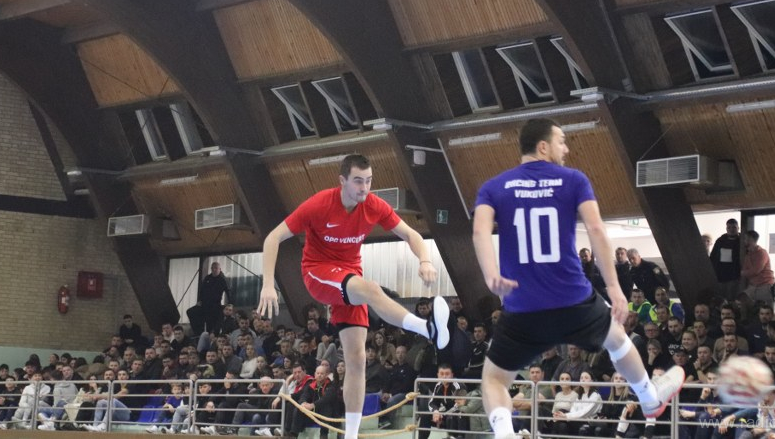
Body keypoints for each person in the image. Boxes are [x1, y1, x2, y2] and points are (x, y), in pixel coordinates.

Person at [471, 119, 684, 439]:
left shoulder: (493, 187)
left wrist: (491, 275)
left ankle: (504, 434)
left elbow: (480, 232)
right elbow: (596, 230)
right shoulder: (573, 179)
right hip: (573, 299)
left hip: (522, 306)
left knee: (494, 379)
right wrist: (614, 287)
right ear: (543, 146)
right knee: (618, 340)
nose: (566, 148)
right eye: (561, 141)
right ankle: (649, 398)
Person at [258, 153, 450, 439]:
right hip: (319, 273)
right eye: (358, 181)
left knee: (357, 359)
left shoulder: (374, 205)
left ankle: (351, 435)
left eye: (369, 181)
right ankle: (426, 328)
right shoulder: (319, 204)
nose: (365, 187)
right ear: (342, 181)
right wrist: (267, 284)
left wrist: (424, 260)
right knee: (371, 289)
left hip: (350, 279)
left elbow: (411, 235)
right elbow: (273, 237)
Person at [188, 262, 230, 335]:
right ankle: (198, 333)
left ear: (220, 269)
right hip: (204, 304)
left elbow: (228, 291)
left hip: (215, 305)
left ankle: (210, 335)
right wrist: (199, 300)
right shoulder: (207, 278)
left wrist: (230, 304)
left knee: (210, 323)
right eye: (213, 268)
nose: (214, 270)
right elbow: (201, 290)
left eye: (216, 268)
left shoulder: (222, 279)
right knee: (191, 312)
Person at [709, 218, 742, 300]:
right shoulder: (720, 241)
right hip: (720, 275)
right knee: (721, 298)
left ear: (738, 228)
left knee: (733, 297)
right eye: (729, 227)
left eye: (734, 227)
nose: (731, 230)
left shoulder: (741, 241)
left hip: (735, 275)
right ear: (726, 228)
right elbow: (713, 257)